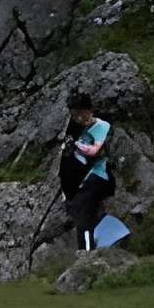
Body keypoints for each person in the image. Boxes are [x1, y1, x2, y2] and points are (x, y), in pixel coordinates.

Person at [59, 91, 115, 252]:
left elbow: (95, 150)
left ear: (86, 111)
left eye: (77, 114)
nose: (76, 118)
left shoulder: (102, 126)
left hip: (99, 175)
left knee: (82, 210)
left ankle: (86, 252)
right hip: (83, 179)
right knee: (79, 210)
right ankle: (89, 249)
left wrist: (76, 145)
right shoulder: (82, 131)